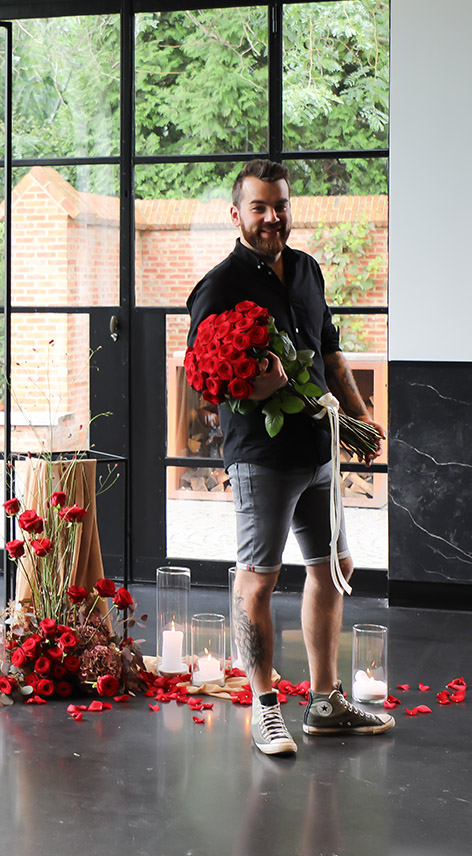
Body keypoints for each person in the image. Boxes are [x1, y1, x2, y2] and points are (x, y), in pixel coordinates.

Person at [186, 158, 393, 756]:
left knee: (335, 567)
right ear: (237, 214)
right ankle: (264, 704)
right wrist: (261, 389)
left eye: (281, 205)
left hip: (318, 446)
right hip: (262, 456)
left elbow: (329, 354)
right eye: (260, 207)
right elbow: (206, 379)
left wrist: (357, 417)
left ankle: (325, 703)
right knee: (259, 581)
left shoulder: (306, 270)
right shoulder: (219, 286)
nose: (273, 216)